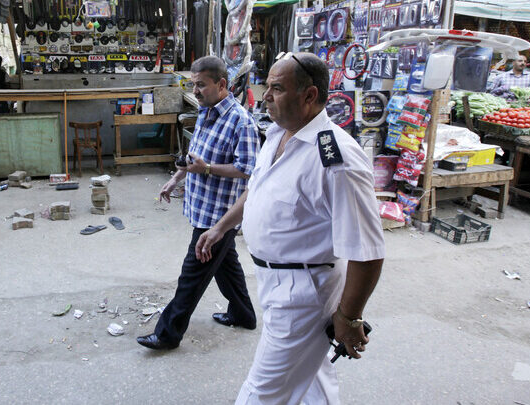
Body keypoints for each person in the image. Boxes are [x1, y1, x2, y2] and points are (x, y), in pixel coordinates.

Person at [195, 53, 384, 404]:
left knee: (262, 392)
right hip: (274, 281)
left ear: (309, 96)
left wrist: (349, 317)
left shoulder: (336, 158)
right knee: (312, 378)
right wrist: (221, 227)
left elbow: (367, 252)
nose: (265, 96)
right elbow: (257, 188)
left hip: (303, 294)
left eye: (277, 89)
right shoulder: (277, 133)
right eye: (267, 86)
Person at [136, 56, 261, 350]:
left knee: (191, 276)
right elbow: (195, 156)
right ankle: (244, 315)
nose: (196, 91)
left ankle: (167, 334)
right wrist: (175, 179)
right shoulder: (206, 111)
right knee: (226, 265)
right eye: (194, 84)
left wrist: (208, 169)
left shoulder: (241, 122)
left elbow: (248, 170)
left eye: (201, 85)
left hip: (219, 216)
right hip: (202, 205)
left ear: (221, 84)